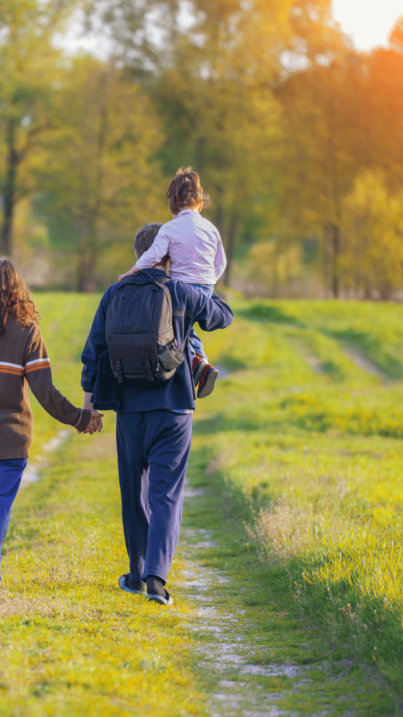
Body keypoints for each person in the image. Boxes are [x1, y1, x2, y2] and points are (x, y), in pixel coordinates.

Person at [82, 224, 233, 606]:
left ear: (138, 253)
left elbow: (94, 352)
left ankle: (134, 574)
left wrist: (90, 404)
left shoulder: (114, 293)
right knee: (166, 495)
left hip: (130, 411)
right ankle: (156, 579)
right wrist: (203, 278)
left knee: (133, 494)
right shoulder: (180, 291)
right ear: (169, 253)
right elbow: (223, 317)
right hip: (174, 408)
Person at [0, 257, 103, 598]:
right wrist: (79, 417)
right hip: (12, 440)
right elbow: (45, 392)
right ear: (18, 289)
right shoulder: (28, 330)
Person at [118, 168, 226, 398]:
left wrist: (132, 270)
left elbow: (153, 255)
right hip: (206, 287)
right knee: (189, 328)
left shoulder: (170, 227)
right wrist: (210, 281)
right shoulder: (211, 228)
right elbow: (221, 261)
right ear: (200, 202)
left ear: (173, 204)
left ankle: (198, 363)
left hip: (179, 288)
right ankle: (201, 363)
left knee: (178, 331)